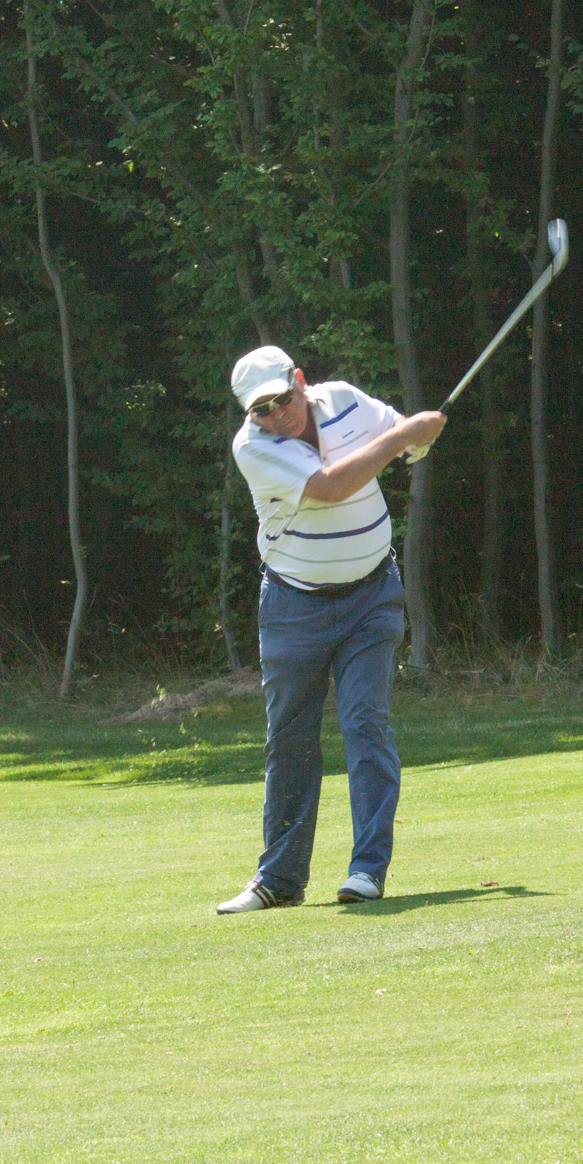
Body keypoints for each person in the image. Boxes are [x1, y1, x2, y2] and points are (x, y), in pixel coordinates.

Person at [215, 346, 447, 914]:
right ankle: (279, 880)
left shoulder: (343, 399)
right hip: (294, 605)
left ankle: (367, 870)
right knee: (289, 738)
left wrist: (418, 437)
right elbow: (332, 485)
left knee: (364, 722)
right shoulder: (254, 448)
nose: (276, 415)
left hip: (372, 595)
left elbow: (400, 435)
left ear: (300, 380)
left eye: (281, 399)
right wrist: (404, 436)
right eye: (261, 409)